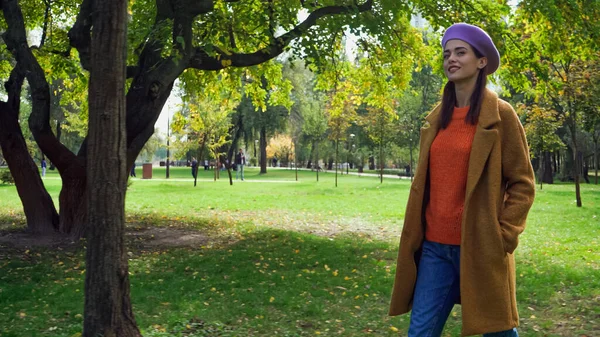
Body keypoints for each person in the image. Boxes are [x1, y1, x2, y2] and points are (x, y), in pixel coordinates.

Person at [388, 23, 535, 337]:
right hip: (434, 249)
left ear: (481, 61)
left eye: (460, 52)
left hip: (481, 245)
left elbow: (523, 183)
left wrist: (504, 234)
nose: (450, 59)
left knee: (497, 330)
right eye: (446, 54)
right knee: (420, 332)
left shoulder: (501, 116)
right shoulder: (435, 119)